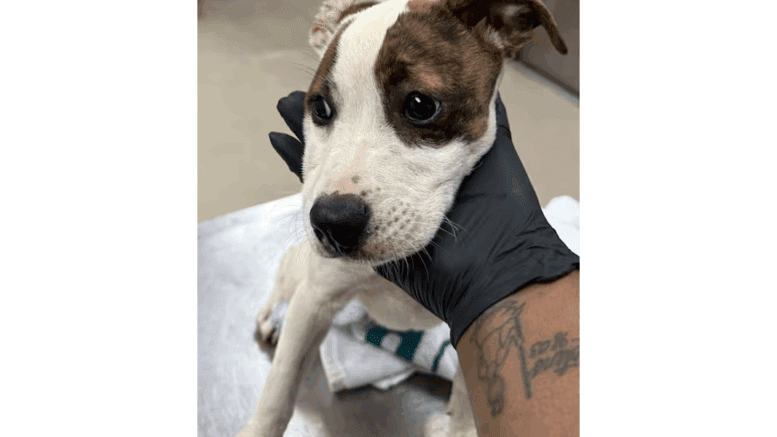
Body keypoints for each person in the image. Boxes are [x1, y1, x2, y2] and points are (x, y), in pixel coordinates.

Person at [269, 91, 580, 436]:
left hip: (437, 325)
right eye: (323, 111)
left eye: (419, 109)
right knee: (299, 281)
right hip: (376, 307)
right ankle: (272, 306)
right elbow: (313, 299)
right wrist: (266, 423)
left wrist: (501, 286)